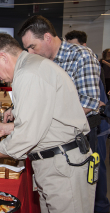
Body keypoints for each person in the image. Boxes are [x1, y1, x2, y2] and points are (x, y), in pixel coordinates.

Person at [0, 33, 95, 213]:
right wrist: (8, 127)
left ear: (4, 57)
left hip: (62, 166)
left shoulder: (29, 73)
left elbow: (27, 134)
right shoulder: (32, 67)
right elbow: (44, 120)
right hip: (58, 162)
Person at [65, 30, 110, 213]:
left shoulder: (90, 68)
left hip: (98, 128)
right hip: (90, 126)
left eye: (74, 47)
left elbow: (96, 104)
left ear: (83, 46)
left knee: (97, 169)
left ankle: (101, 207)